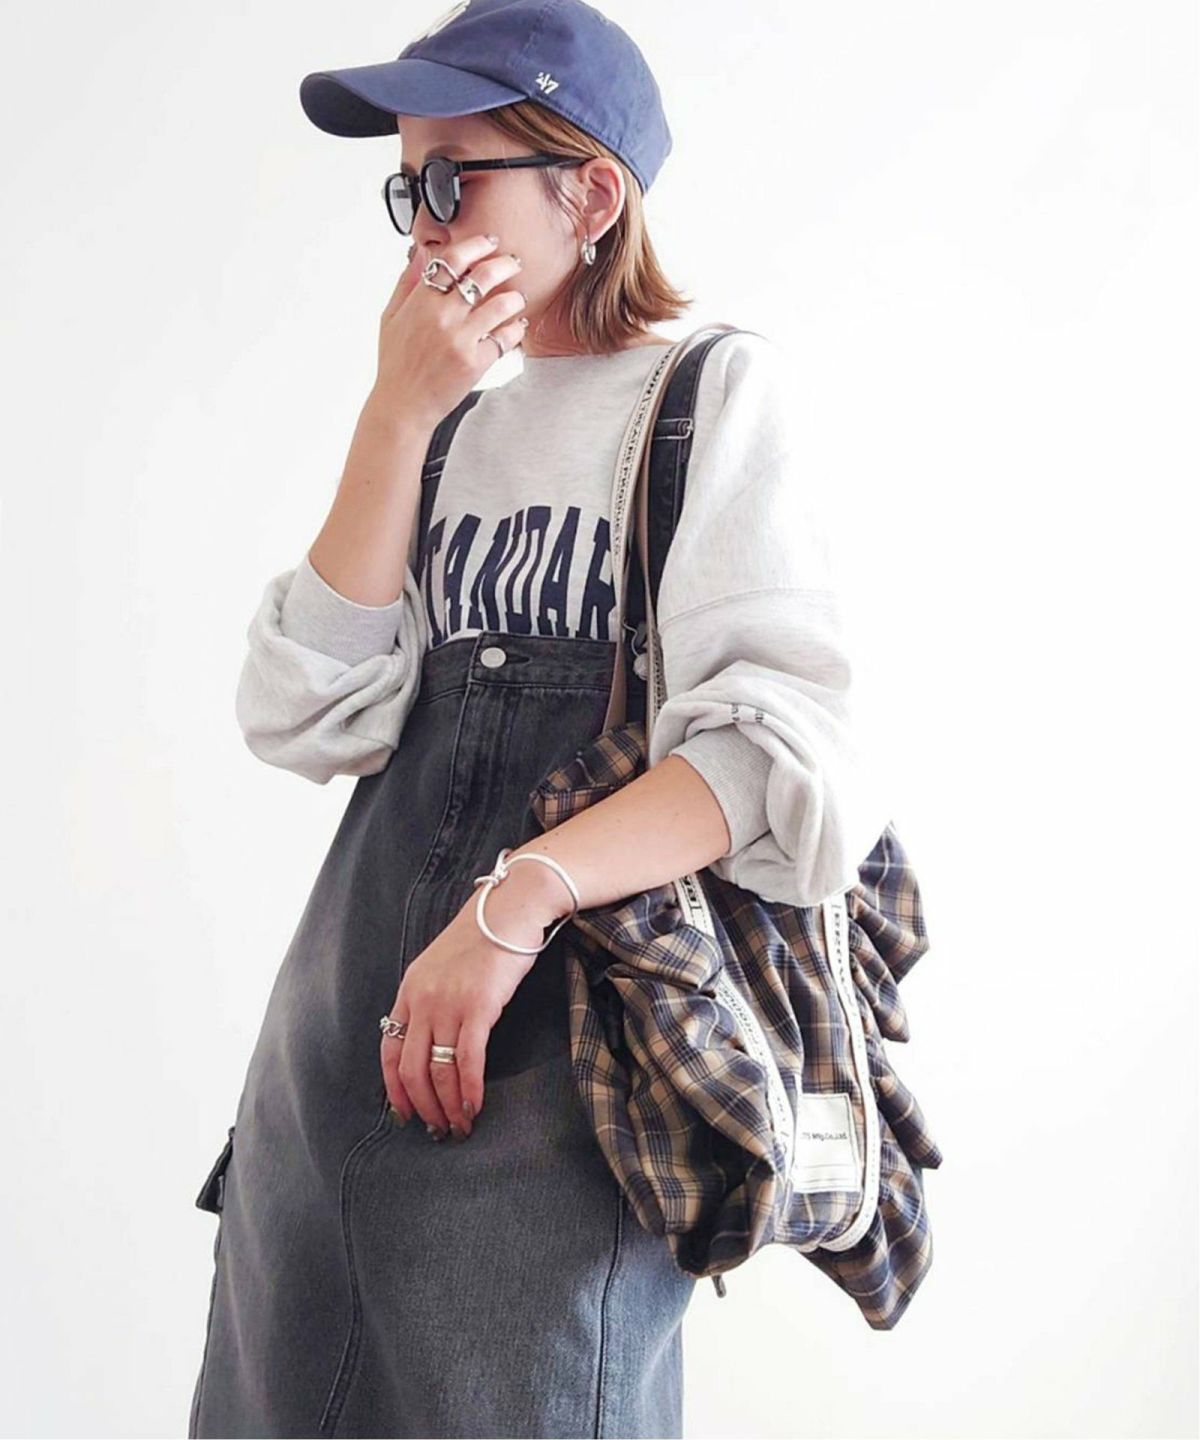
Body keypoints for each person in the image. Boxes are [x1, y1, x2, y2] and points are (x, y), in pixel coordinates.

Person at [188, 2, 886, 1435]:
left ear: (593, 193)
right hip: (336, 1061)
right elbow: (304, 713)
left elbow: (774, 751)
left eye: (457, 179)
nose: (425, 230)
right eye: (407, 188)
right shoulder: (449, 426)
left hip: (565, 1098)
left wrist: (512, 907)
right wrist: (393, 419)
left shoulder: (707, 397)